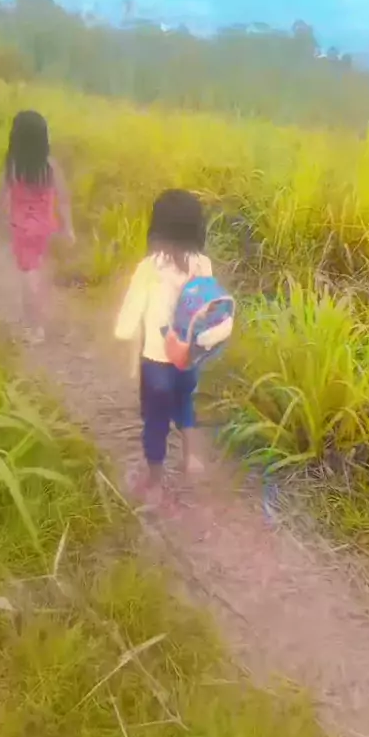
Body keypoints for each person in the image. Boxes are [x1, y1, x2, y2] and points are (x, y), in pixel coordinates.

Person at [114, 189, 212, 505]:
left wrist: (124, 331)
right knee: (184, 402)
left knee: (155, 419)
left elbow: (133, 307)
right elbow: (207, 307)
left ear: (158, 227)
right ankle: (191, 457)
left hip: (156, 359)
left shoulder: (150, 267)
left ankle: (155, 484)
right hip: (188, 356)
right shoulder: (203, 264)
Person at [0, 110, 75, 344]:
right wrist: (68, 228)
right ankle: (39, 318)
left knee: (29, 276)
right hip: (45, 228)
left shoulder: (13, 167)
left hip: (22, 230)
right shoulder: (50, 166)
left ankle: (35, 327)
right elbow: (64, 198)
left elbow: (0, 198)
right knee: (39, 272)